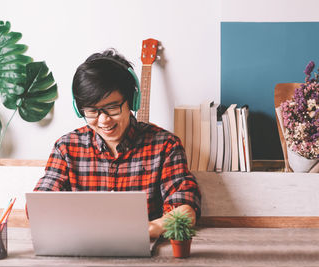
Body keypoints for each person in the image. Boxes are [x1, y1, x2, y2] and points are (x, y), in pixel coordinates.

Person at [33, 49, 201, 239]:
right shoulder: (65, 148)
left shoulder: (166, 146)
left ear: (132, 101)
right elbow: (40, 205)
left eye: (112, 108)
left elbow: (186, 209)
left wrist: (148, 229)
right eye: (92, 111)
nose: (103, 120)